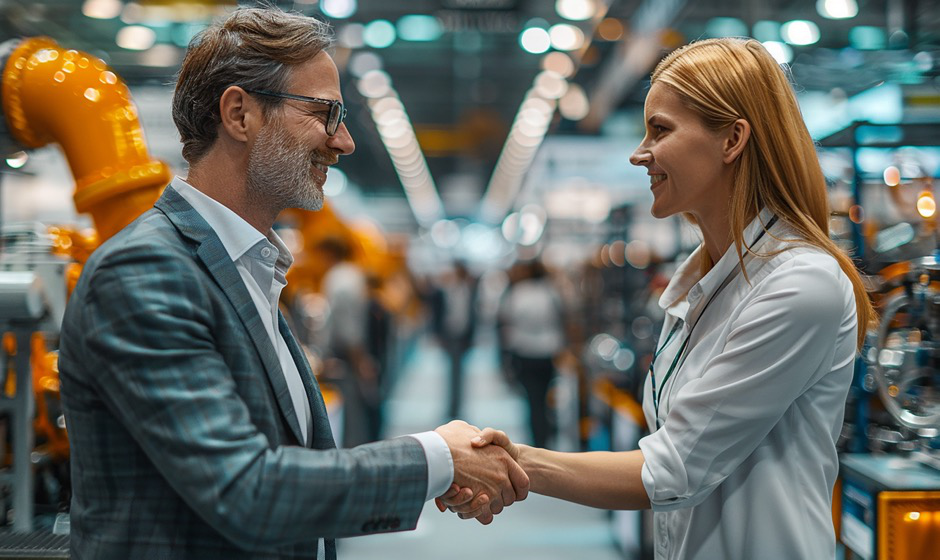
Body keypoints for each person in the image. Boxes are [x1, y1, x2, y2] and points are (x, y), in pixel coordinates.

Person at [57, 8, 526, 560]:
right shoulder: (145, 272)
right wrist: (435, 459)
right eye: (326, 113)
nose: (345, 141)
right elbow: (244, 489)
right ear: (240, 114)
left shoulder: (246, 268)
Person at [443, 37, 875, 560]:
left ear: (732, 139)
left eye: (660, 130)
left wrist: (515, 464)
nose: (638, 152)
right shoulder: (697, 283)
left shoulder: (801, 285)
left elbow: (674, 468)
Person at [497, 259, 566, 448]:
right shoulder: (550, 291)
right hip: (548, 353)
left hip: (524, 353)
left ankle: (538, 439)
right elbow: (561, 318)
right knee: (546, 399)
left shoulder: (516, 293)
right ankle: (547, 436)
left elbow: (506, 322)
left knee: (532, 401)